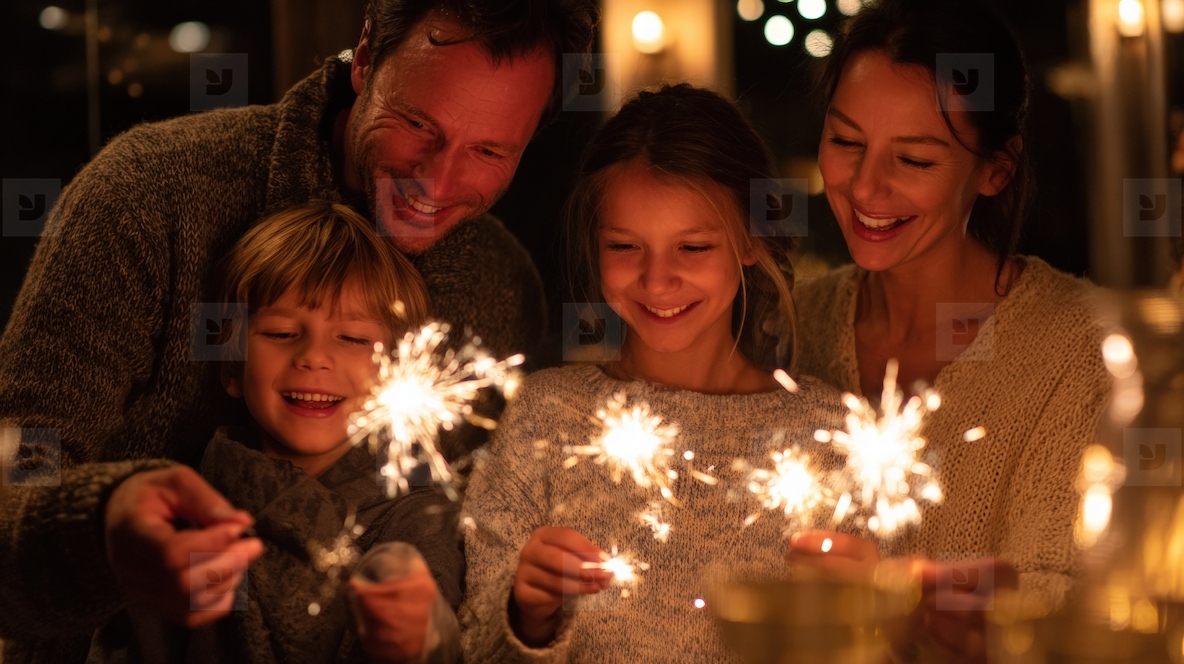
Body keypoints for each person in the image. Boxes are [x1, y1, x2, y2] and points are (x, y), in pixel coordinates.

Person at [0, 1, 597, 661]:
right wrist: (101, 527)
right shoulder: (149, 197)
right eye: (416, 123)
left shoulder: (501, 285)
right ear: (364, 59)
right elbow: (18, 476)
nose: (438, 179)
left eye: (489, 150)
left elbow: (481, 582)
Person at [459, 84, 845, 663]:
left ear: (750, 239)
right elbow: (476, 647)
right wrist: (528, 616)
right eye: (624, 246)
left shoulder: (829, 437)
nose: (657, 280)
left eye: (693, 248)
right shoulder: (547, 418)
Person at [789, 0, 1112, 660]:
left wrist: (909, 602)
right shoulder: (790, 329)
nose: (865, 188)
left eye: (913, 160)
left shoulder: (1084, 351)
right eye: (846, 143)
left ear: (996, 169)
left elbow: (1091, 609)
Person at [85, 201, 461, 662]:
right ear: (231, 367)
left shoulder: (417, 519)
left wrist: (415, 636)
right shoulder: (180, 511)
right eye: (282, 333)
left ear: (398, 375)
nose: (314, 356)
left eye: (352, 338)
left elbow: (441, 637)